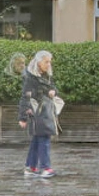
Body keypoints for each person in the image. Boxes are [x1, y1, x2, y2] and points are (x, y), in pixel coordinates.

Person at [19, 49, 61, 178]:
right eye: (46, 62)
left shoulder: (45, 75)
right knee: (44, 138)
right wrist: (22, 118)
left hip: (45, 112)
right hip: (38, 112)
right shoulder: (31, 78)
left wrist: (53, 91)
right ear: (38, 62)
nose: (49, 64)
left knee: (37, 140)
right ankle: (45, 168)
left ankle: (30, 167)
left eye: (49, 62)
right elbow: (25, 97)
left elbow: (53, 87)